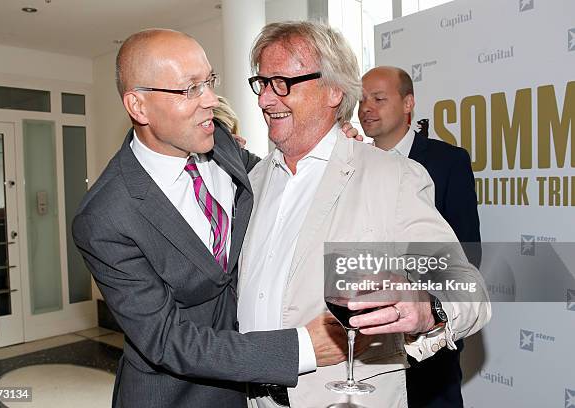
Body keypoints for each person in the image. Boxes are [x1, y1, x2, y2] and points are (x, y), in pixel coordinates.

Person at [72, 28, 351, 408]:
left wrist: (329, 146)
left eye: (209, 82)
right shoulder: (105, 216)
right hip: (173, 398)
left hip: (252, 395)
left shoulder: (216, 140)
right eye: (190, 89)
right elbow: (167, 340)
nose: (211, 100)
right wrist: (303, 347)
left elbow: (275, 178)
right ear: (138, 106)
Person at [238, 21, 491, 407]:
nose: (265, 101)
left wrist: (430, 310)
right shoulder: (253, 181)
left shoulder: (390, 176)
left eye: (282, 83)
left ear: (333, 90)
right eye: (262, 83)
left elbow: (467, 287)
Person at [358, 66, 481, 407]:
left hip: (427, 336)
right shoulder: (351, 164)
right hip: (366, 338)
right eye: (362, 99)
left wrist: (427, 314)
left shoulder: (447, 161)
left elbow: (467, 253)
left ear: (408, 102)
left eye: (379, 99)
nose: (366, 108)